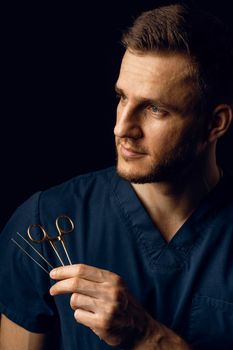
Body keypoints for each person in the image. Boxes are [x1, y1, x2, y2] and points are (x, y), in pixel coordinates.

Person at [0, 3, 233, 350]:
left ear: (215, 124)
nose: (122, 128)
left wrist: (147, 336)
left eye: (155, 109)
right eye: (122, 98)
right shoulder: (44, 223)